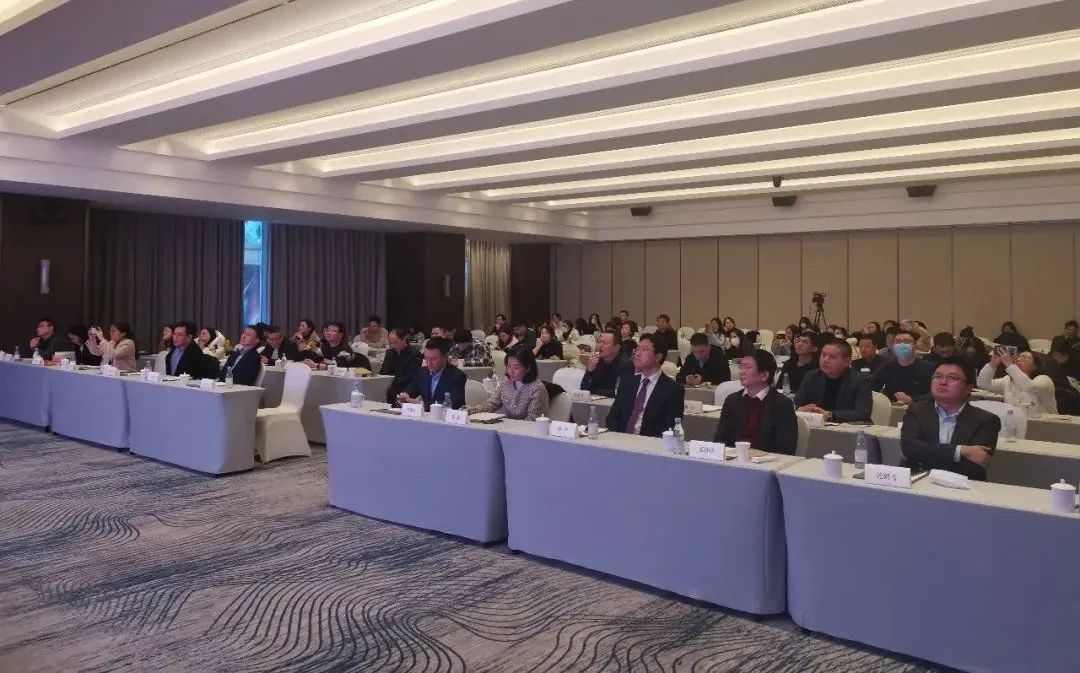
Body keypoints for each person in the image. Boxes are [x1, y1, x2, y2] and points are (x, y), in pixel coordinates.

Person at [899, 357, 1000, 480]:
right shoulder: (916, 411)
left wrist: (927, 452)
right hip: (917, 481)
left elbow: (974, 464)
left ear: (968, 388)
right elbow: (909, 448)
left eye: (952, 378)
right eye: (938, 376)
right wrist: (961, 451)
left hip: (963, 485)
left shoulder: (986, 421)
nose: (942, 382)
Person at [713, 350, 797, 455]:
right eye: (741, 367)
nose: (741, 372)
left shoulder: (782, 404)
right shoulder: (732, 401)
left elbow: (786, 449)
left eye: (747, 368)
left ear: (764, 375)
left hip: (767, 461)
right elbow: (720, 441)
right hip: (734, 459)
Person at [605, 334, 684, 437]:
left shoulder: (673, 390)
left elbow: (671, 429)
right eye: (637, 349)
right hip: (621, 441)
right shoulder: (627, 382)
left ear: (658, 356)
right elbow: (612, 419)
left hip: (650, 444)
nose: (637, 354)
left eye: (644, 350)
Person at [795, 340, 872, 422]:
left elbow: (862, 413)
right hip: (815, 425)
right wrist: (800, 409)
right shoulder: (812, 376)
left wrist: (830, 415)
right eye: (823, 355)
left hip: (848, 427)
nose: (825, 360)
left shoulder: (859, 380)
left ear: (847, 361)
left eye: (832, 357)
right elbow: (798, 403)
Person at [469, 347, 549, 421]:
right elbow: (492, 404)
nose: (511, 371)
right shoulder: (505, 382)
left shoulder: (537, 388)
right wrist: (471, 410)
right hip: (508, 427)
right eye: (509, 366)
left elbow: (532, 419)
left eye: (516, 368)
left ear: (528, 368)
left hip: (528, 429)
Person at [977, 347, 1058, 416]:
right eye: (1018, 357)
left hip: (1046, 425)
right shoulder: (1008, 380)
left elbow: (1030, 387)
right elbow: (983, 384)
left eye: (1024, 357)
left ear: (1035, 366)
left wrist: (1009, 365)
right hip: (1017, 424)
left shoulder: (1044, 380)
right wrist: (992, 364)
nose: (1018, 359)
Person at [398, 337, 467, 410]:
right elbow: (409, 392)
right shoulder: (422, 372)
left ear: (445, 357)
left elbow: (454, 403)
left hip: (446, 416)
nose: (429, 363)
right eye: (426, 358)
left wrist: (421, 404)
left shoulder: (457, 376)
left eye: (433, 359)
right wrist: (403, 398)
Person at [869, 330, 936, 404]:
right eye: (898, 341)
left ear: (915, 346)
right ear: (893, 346)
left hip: (920, 406)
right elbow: (872, 388)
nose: (902, 344)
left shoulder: (928, 367)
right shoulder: (886, 367)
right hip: (893, 407)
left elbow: (935, 393)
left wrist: (912, 399)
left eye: (907, 341)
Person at [580, 330, 632, 397]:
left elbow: (621, 391)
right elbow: (583, 390)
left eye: (604, 343)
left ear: (616, 347)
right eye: (600, 342)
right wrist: (589, 371)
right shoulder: (596, 362)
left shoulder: (626, 365)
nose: (600, 346)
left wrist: (596, 391)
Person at [380, 327, 423, 403]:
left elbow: (412, 377)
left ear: (404, 339)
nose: (393, 346)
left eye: (396, 342)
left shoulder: (414, 354)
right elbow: (383, 372)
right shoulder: (390, 353)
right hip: (390, 389)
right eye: (391, 343)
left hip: (407, 392)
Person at [305, 322, 371, 370]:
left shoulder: (345, 350)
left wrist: (316, 365)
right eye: (328, 330)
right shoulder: (324, 346)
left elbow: (339, 367)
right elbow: (316, 357)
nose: (328, 333)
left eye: (333, 331)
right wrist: (308, 361)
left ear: (340, 335)